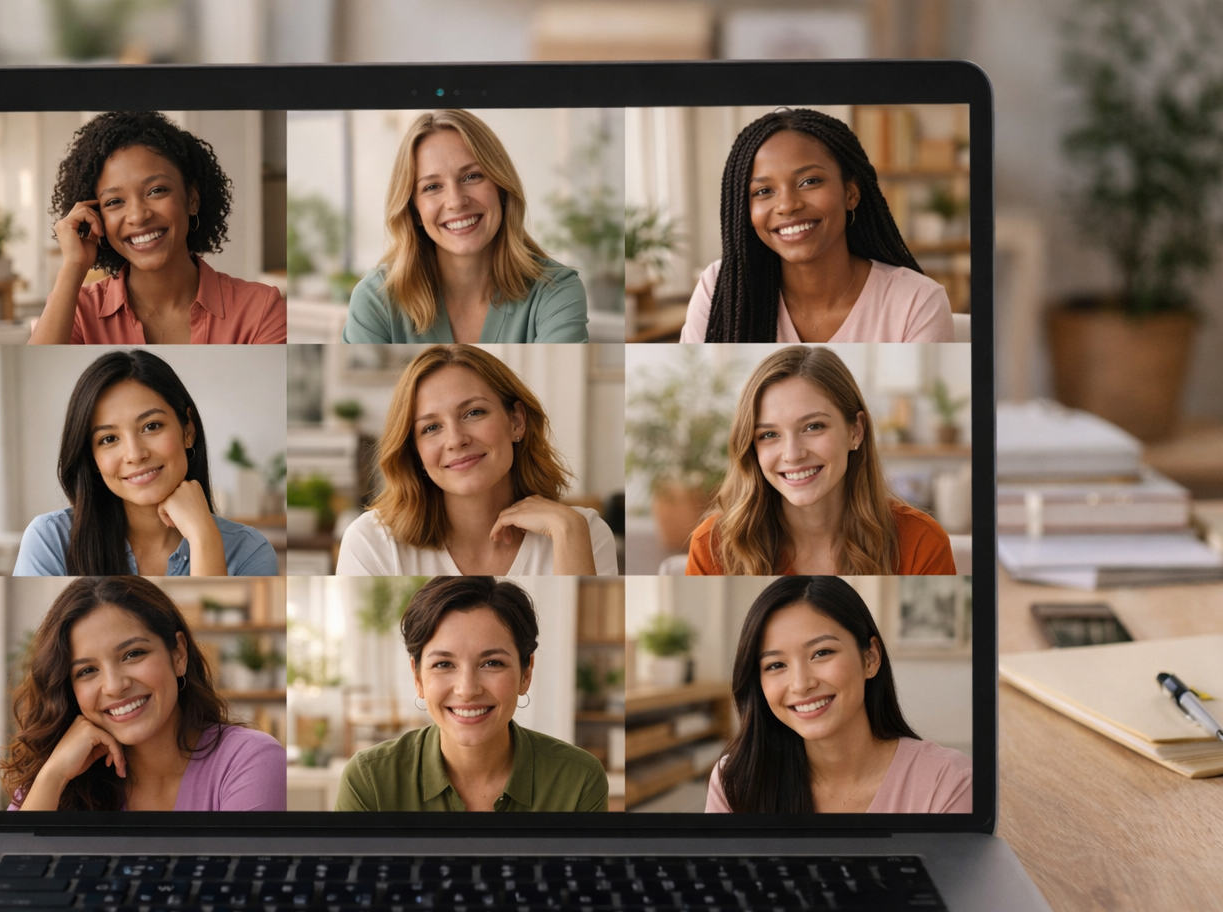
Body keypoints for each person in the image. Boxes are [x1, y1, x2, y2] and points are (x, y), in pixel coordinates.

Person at [0, 576, 286, 811]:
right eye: (86, 671)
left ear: (178, 654)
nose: (114, 685)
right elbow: (14, 874)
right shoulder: (58, 770)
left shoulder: (249, 760)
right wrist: (54, 775)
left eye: (133, 654)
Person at [681, 108, 954, 345]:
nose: (787, 205)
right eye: (764, 191)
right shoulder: (719, 288)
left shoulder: (917, 302)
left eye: (810, 182)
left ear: (850, 194)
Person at [336, 576, 608, 812]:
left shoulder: (579, 779)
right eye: (443, 664)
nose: (467, 690)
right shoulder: (368, 779)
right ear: (417, 676)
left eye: (492, 663)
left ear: (526, 673)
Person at [337, 345, 616, 575]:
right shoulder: (372, 542)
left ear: (516, 421)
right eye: (431, 428)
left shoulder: (581, 531)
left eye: (474, 413)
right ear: (415, 451)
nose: (456, 440)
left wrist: (569, 532)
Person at [706, 576, 972, 814]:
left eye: (821, 653)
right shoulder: (735, 780)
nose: (801, 684)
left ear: (870, 658)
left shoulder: (947, 781)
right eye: (776, 665)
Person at [686, 345, 955, 575]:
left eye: (813, 427)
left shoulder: (921, 542)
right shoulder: (712, 546)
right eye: (769, 434)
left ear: (856, 430)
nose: (792, 454)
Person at [30, 110, 285, 345]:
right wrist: (74, 265)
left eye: (156, 190)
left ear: (192, 199)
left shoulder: (260, 309)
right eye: (114, 201)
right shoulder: (76, 312)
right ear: (98, 217)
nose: (138, 216)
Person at [14, 349, 277, 576]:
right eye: (108, 439)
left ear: (188, 431)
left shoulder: (249, 551)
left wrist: (204, 538)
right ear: (91, 457)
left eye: (151, 426)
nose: (135, 454)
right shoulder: (51, 540)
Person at [342, 109, 589, 344]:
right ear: (414, 211)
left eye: (472, 176)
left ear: (501, 188)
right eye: (432, 187)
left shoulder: (555, 290)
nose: (456, 201)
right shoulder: (375, 300)